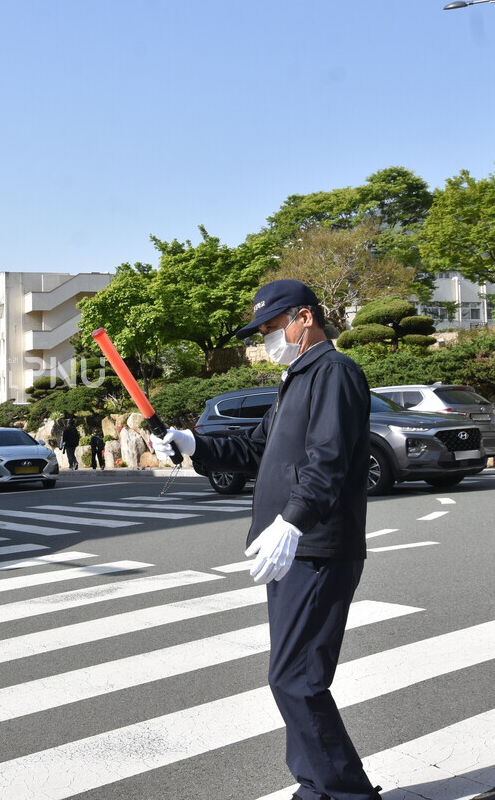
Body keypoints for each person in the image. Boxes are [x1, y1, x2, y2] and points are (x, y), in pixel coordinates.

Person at [152, 279, 382, 800]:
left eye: (273, 326)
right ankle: (316, 786)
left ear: (305, 318)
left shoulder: (335, 373)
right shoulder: (295, 379)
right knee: (294, 675)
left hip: (317, 546)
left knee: (296, 679)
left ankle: (346, 794)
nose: (266, 337)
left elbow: (329, 459)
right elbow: (258, 449)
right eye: (261, 330)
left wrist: (294, 520)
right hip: (288, 551)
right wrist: (194, 443)